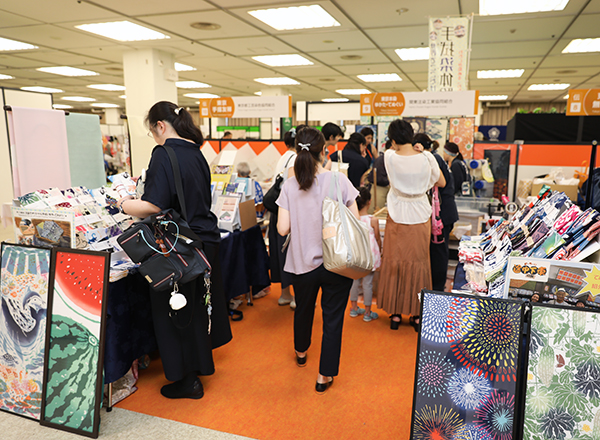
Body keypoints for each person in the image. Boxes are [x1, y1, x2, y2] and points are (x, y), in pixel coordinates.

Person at [117, 101, 232, 399]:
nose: (154, 138)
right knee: (195, 310)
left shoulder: (163, 153)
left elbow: (153, 204)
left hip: (177, 245)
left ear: (159, 125)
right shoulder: (196, 153)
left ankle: (186, 380)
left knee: (174, 311)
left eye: (152, 131)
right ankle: (198, 371)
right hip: (203, 240)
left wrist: (123, 203)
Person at [276, 126, 359, 394]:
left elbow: (282, 229)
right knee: (333, 318)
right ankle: (324, 376)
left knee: (304, 308)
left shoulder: (289, 185)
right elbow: (355, 221)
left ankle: (301, 351)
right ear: (324, 151)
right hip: (338, 262)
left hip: (302, 262)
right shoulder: (339, 181)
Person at [377, 119, 445, 331]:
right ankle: (417, 315)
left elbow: (392, 150)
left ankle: (395, 315)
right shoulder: (427, 157)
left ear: (393, 139)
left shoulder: (389, 157)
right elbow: (441, 182)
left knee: (394, 263)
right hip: (420, 214)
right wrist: (422, 151)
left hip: (397, 214)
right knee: (419, 263)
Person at [415, 133, 458, 292]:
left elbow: (440, 183)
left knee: (439, 253)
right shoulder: (435, 157)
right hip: (443, 212)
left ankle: (437, 289)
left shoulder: (432, 159)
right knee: (438, 252)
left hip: (441, 214)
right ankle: (435, 287)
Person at [269, 127, 304, 309]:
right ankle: (298, 297)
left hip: (278, 211)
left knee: (281, 253)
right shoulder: (294, 159)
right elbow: (292, 187)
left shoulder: (284, 156)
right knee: (292, 253)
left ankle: (285, 294)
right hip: (288, 212)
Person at [348, 187, 381, 322]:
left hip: (356, 256)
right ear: (370, 202)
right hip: (369, 257)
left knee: (354, 283)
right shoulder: (373, 220)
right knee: (368, 284)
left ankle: (354, 308)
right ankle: (367, 312)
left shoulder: (352, 219)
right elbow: (378, 238)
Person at [366, 139, 391, 213]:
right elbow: (378, 178)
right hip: (378, 189)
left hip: (383, 189)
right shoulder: (382, 159)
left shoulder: (384, 158)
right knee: (376, 213)